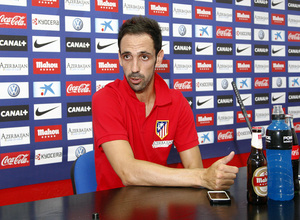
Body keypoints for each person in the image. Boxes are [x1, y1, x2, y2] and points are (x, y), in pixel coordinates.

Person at [92, 16, 239, 191]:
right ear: (119, 58)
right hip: (114, 209)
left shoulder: (177, 102)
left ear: (159, 58)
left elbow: (194, 166)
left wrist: (204, 176)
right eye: (127, 56)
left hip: (159, 206)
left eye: (144, 57)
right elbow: (128, 172)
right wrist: (201, 177)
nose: (134, 68)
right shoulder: (105, 98)